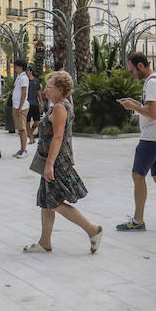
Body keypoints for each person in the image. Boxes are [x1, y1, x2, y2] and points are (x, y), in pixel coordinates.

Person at [22, 70, 103, 254]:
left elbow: (58, 137)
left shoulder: (59, 108)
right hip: (54, 159)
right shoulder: (63, 103)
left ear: (59, 89)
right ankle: (45, 242)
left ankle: (92, 230)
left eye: (49, 87)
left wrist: (49, 164)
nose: (46, 90)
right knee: (46, 201)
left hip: (56, 162)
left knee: (54, 202)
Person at [116, 52, 156, 232]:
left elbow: (153, 113)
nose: (131, 73)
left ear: (140, 65)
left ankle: (138, 220)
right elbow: (151, 108)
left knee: (137, 175)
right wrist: (134, 102)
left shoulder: (152, 83)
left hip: (151, 137)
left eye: (132, 69)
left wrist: (132, 107)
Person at [11, 60, 31, 157]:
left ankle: (24, 150)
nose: (15, 68)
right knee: (20, 128)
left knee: (22, 129)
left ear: (20, 67)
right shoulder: (19, 77)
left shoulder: (23, 78)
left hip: (21, 107)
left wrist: (20, 107)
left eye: (16, 66)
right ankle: (21, 149)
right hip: (16, 105)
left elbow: (24, 93)